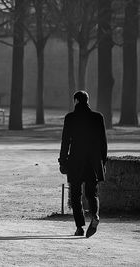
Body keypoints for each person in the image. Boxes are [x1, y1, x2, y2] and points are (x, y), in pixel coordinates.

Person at [59, 91, 107, 238]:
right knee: (91, 194)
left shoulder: (70, 118)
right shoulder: (97, 117)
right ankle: (95, 216)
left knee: (75, 196)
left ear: (75, 101)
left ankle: (79, 227)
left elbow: (65, 141)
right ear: (87, 101)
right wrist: (102, 162)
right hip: (92, 162)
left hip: (75, 161)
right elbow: (103, 143)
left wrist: (62, 161)